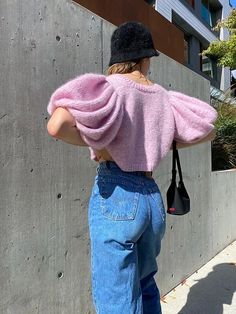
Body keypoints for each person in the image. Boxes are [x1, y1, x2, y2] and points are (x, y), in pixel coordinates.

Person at [47, 22, 217, 314]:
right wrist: (160, 145)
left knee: (117, 298)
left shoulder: (110, 88)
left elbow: (57, 125)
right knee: (145, 285)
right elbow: (207, 131)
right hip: (152, 202)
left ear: (117, 58)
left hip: (117, 196)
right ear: (146, 58)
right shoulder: (163, 97)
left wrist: (101, 147)